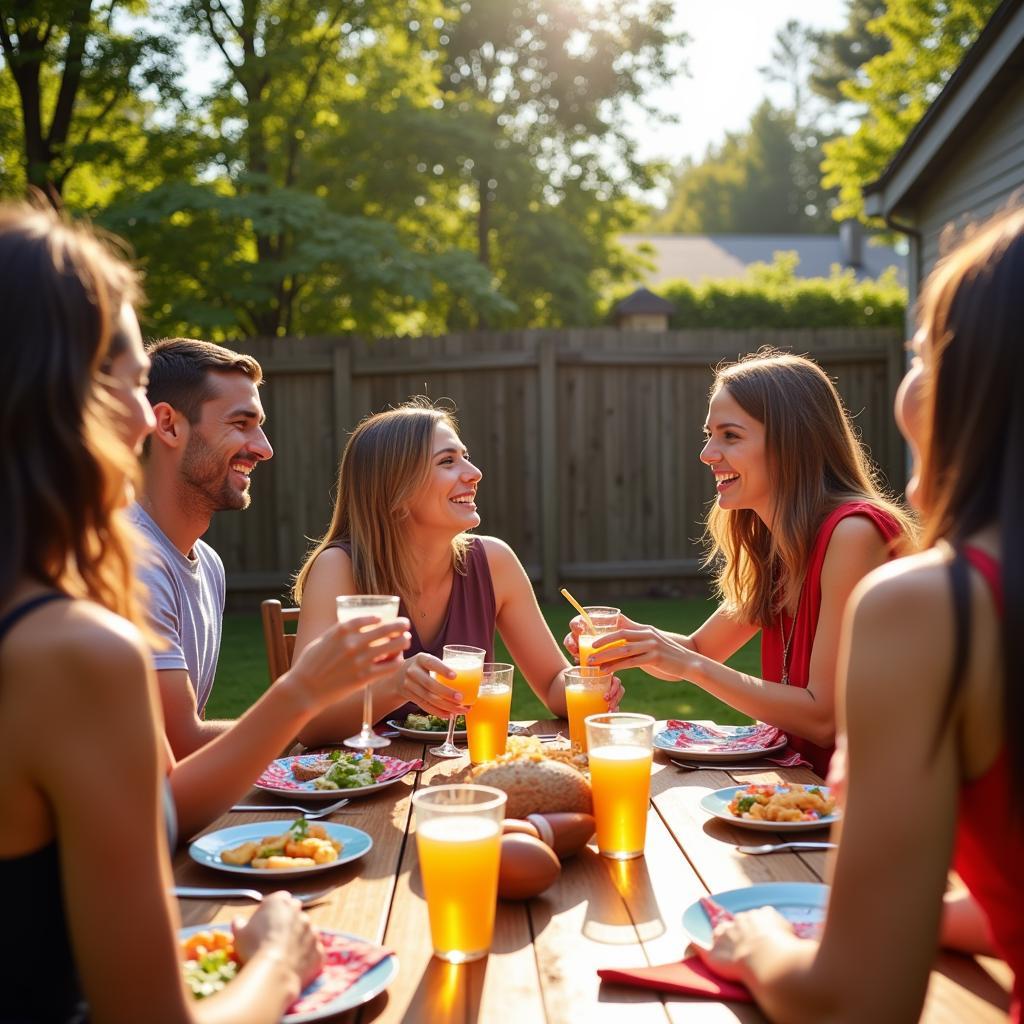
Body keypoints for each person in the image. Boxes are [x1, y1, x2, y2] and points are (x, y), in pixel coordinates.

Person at [699, 208, 1024, 1022]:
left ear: (982, 378)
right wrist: (916, 918)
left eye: (920, 350)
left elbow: (854, 1005)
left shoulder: (931, 606)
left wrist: (755, 941)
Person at [0, 200, 322, 1023]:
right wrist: (282, 957)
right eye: (132, 382)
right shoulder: (71, 649)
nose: (145, 417)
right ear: (56, 393)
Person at [569, 350, 914, 774]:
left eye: (730, 435)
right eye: (709, 434)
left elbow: (823, 718)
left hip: (866, 806)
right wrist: (631, 641)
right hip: (798, 791)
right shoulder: (777, 542)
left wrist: (688, 664)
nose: (707, 453)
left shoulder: (854, 534)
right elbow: (700, 649)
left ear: (792, 443)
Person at [133, 338, 411, 835]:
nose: (264, 448)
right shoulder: (134, 562)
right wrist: (304, 714)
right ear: (168, 424)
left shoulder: (208, 564)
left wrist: (312, 735)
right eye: (241, 424)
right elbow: (180, 744)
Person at [292, 398, 623, 747]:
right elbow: (307, 725)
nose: (474, 473)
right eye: (447, 461)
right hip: (369, 789)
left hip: (466, 776)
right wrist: (394, 687)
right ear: (395, 489)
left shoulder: (494, 562)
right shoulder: (339, 568)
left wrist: (591, 677)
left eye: (465, 456)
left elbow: (555, 685)